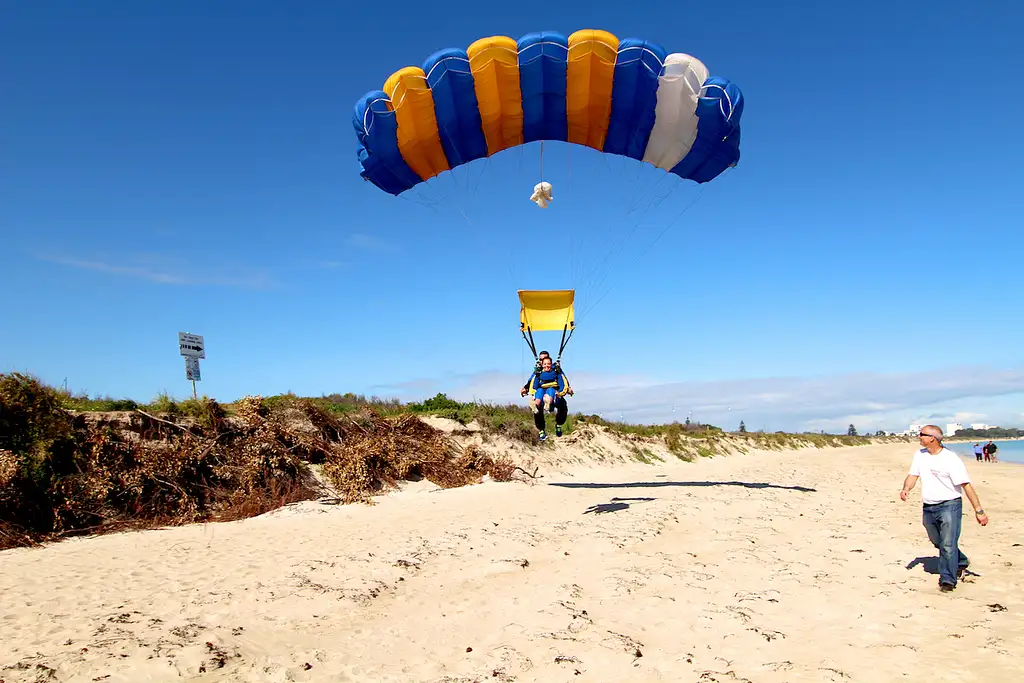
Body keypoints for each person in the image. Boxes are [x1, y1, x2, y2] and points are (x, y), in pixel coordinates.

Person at [899, 425, 989, 592]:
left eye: (922, 435)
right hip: (929, 505)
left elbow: (966, 485)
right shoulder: (920, 455)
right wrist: (906, 489)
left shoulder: (950, 459)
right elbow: (913, 475)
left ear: (932, 438)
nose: (919, 437)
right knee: (937, 541)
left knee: (948, 544)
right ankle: (961, 561)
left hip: (950, 505)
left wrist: (979, 511)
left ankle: (948, 580)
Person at [520, 354, 572, 440]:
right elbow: (531, 381)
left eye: (545, 360)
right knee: (537, 408)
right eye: (541, 360)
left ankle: (558, 424)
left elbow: (563, 379)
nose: (543, 363)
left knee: (562, 404)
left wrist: (567, 389)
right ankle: (541, 430)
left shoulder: (556, 370)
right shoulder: (538, 371)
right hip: (541, 393)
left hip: (554, 392)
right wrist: (526, 388)